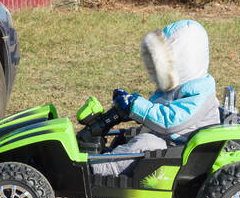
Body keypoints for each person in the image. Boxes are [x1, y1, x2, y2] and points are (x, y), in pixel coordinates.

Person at [91, 19, 220, 178]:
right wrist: (132, 102)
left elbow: (169, 122)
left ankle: (98, 172)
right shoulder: (175, 86)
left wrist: (135, 105)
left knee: (147, 144)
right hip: (170, 141)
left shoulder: (199, 94)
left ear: (185, 60)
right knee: (129, 134)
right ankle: (106, 158)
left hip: (181, 151)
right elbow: (155, 107)